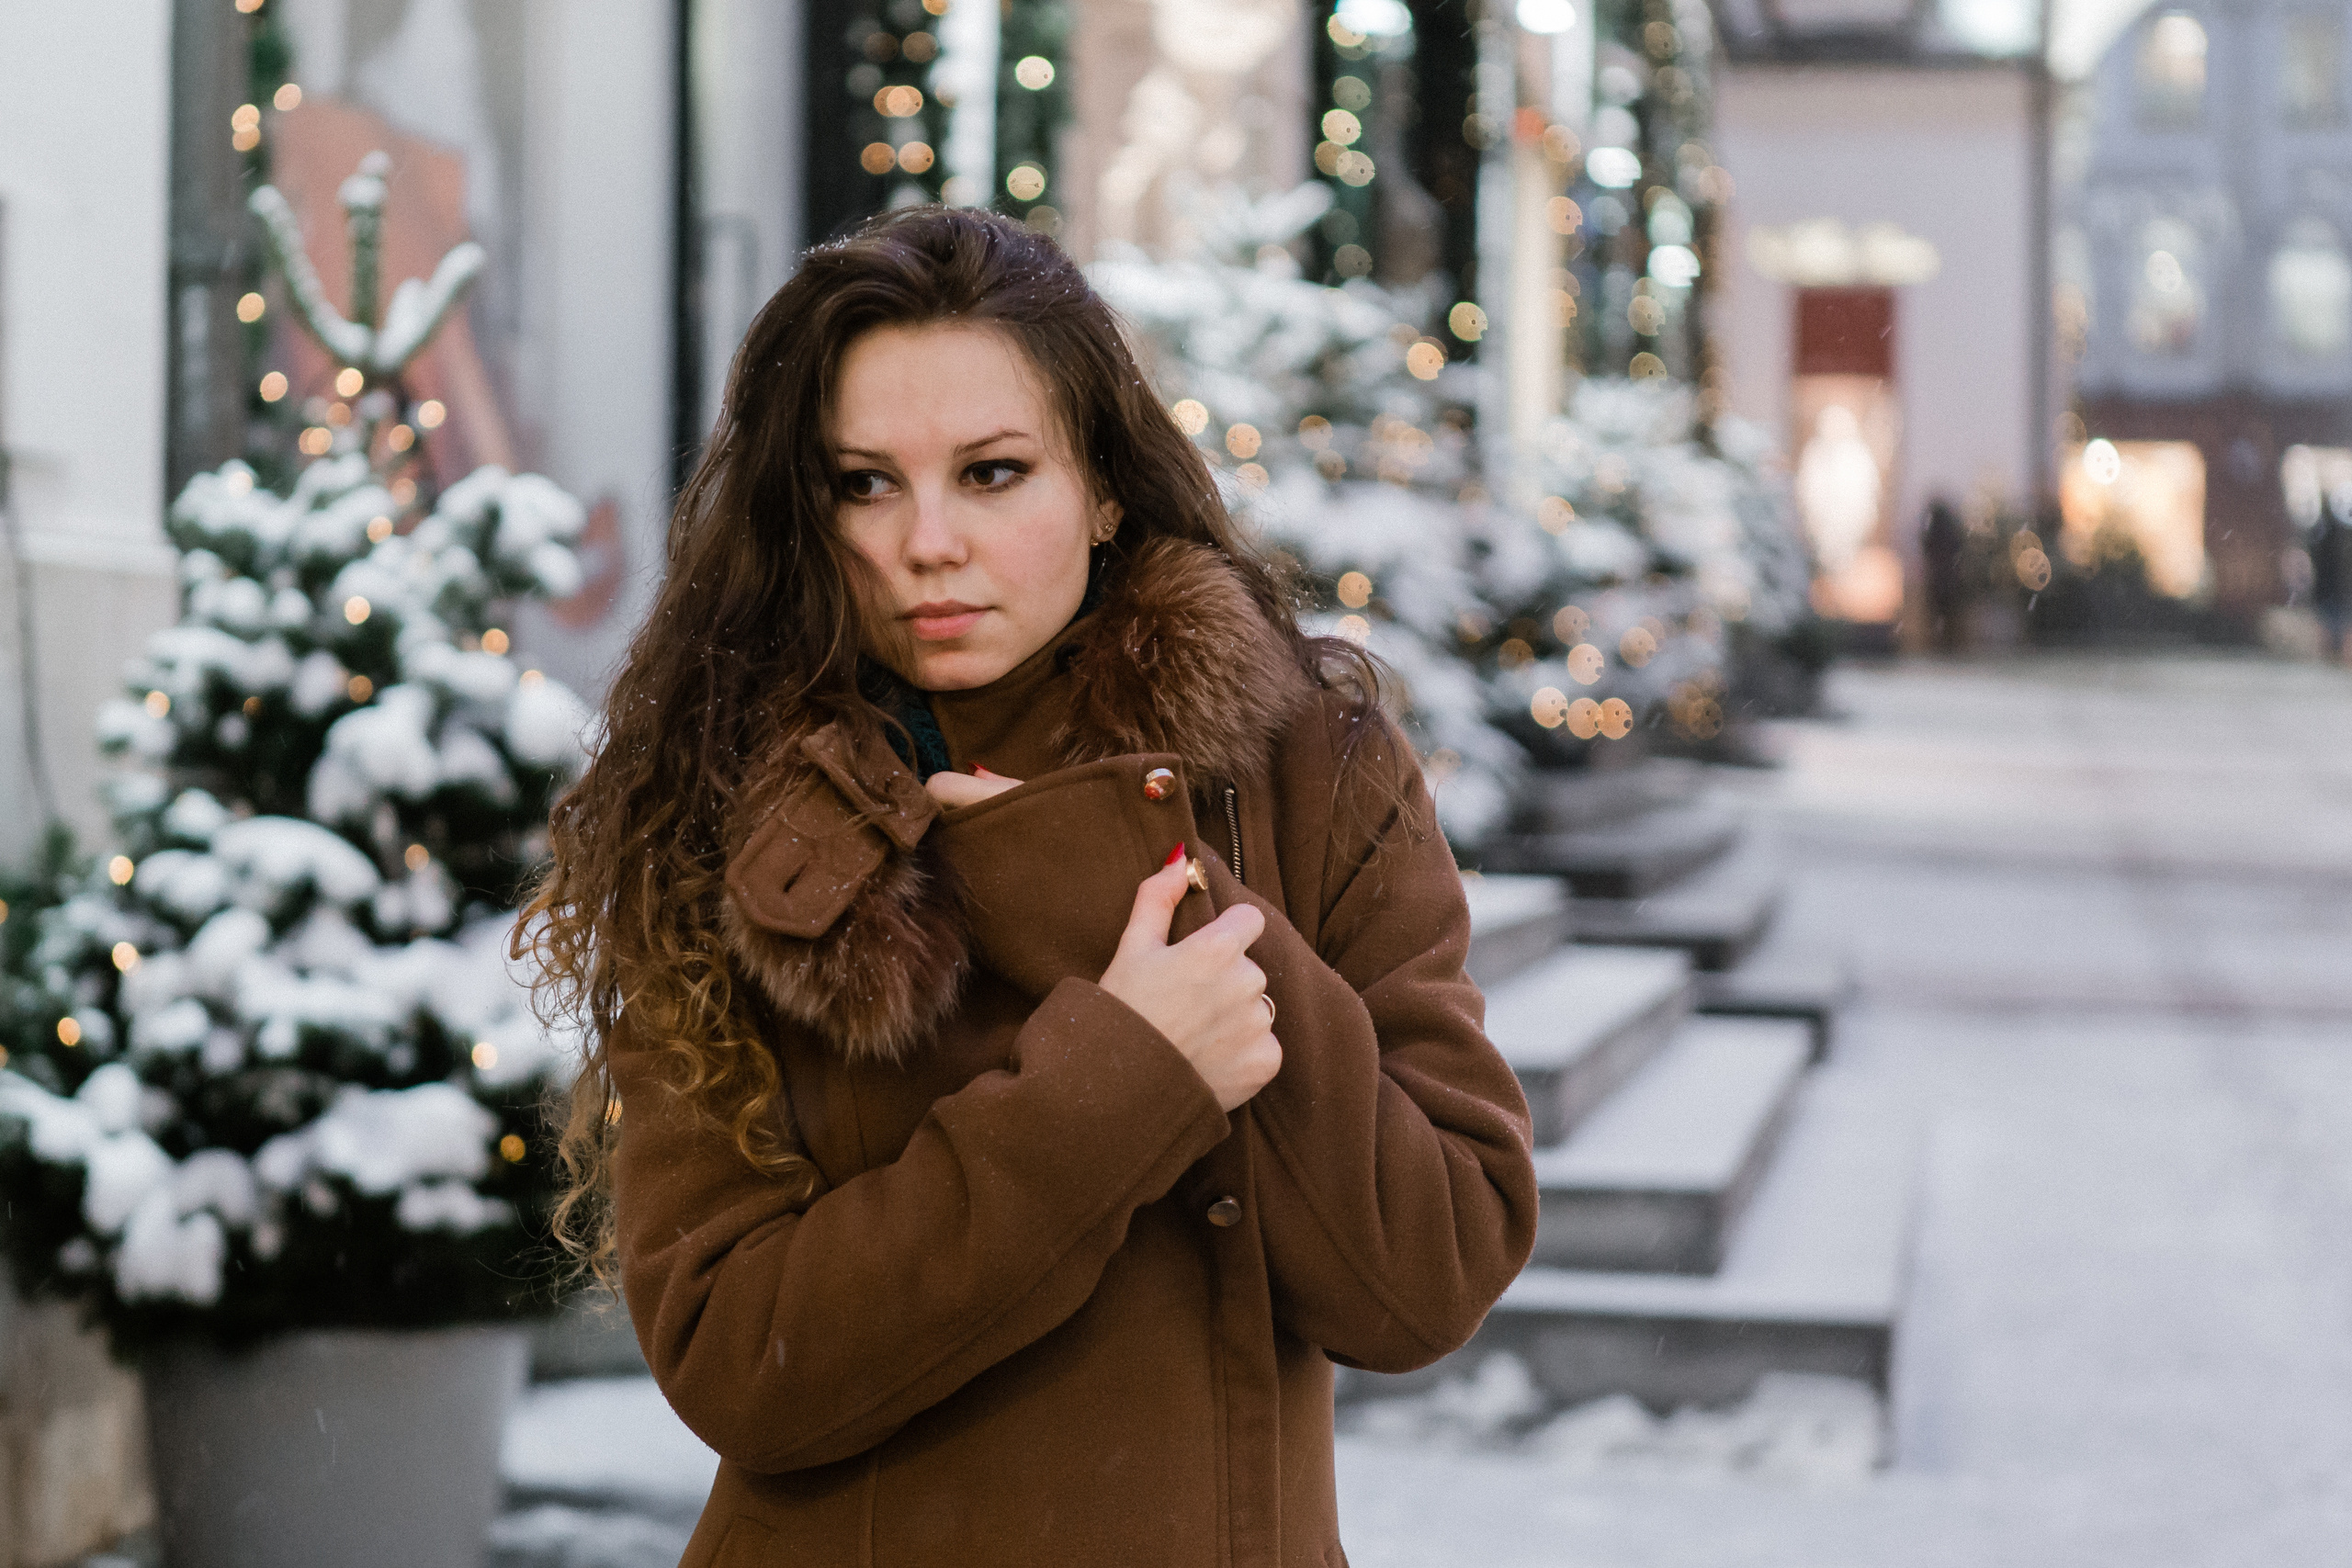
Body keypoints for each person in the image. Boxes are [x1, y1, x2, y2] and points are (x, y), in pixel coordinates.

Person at [524, 207, 1537, 1567]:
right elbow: (738, 1356)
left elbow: (1429, 1275)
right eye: (863, 484)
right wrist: (1121, 1075)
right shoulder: (722, 801)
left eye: (993, 474)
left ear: (1106, 487)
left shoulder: (1304, 761)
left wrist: (1147, 895)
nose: (926, 542)